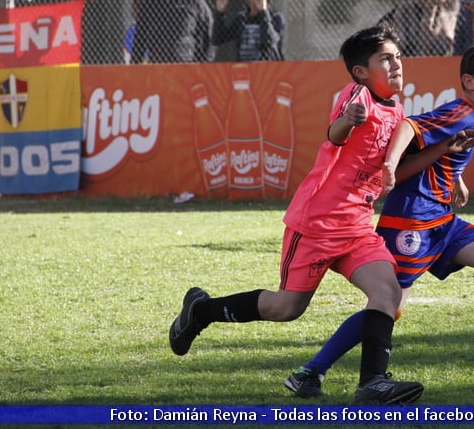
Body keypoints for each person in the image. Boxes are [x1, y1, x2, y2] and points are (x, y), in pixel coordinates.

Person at [284, 43, 474, 398]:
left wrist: (455, 179)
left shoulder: (471, 118)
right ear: (469, 81)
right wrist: (388, 166)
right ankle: (310, 370)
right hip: (412, 225)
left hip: (441, 221)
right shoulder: (461, 113)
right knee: (388, 306)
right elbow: (408, 126)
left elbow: (435, 148)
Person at [168, 25, 426, 405]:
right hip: (318, 223)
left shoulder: (397, 110)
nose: (396, 64)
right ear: (360, 71)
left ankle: (372, 382)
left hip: (357, 225)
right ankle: (201, 311)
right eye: (385, 59)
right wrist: (349, 119)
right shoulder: (358, 96)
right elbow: (335, 133)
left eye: (398, 56)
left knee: (388, 292)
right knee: (286, 308)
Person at [212, 0, 286, 61]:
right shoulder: (241, 18)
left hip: (268, 71)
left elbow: (269, 41)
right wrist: (220, 12)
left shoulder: (276, 18)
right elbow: (217, 39)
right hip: (244, 71)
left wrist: (263, 11)